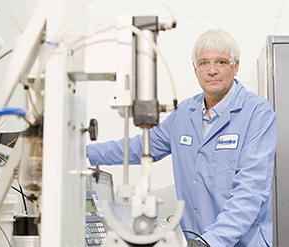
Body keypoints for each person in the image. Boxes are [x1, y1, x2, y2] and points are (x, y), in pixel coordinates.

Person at [87, 29, 277, 247]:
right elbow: (141, 147)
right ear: (195, 69)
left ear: (236, 67)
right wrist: (80, 153)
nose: (212, 70)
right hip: (195, 241)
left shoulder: (257, 113)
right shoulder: (185, 112)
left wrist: (210, 242)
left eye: (221, 62)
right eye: (204, 63)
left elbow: (250, 191)